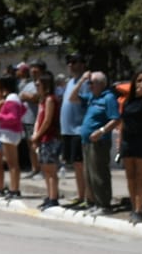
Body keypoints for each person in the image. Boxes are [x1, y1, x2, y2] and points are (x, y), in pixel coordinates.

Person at [118, 69, 142, 223]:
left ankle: (140, 209)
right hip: (128, 141)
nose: (141, 84)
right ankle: (134, 207)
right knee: (130, 177)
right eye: (139, 80)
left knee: (141, 176)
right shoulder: (129, 100)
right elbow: (123, 122)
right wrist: (120, 142)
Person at [78, 70, 118, 214]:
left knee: (99, 173)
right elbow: (71, 98)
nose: (89, 86)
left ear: (101, 84)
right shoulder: (91, 98)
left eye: (91, 83)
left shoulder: (108, 98)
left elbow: (115, 119)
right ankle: (95, 202)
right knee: (89, 174)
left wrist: (101, 131)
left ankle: (104, 204)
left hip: (100, 141)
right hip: (87, 141)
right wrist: (82, 81)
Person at [60, 53, 89, 208]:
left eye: (74, 62)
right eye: (69, 62)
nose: (70, 65)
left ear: (82, 64)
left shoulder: (84, 83)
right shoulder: (71, 81)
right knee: (75, 165)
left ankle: (86, 196)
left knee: (81, 164)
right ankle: (80, 195)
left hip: (79, 128)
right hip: (68, 129)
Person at [0, 73, 26, 198]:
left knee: (12, 164)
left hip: (9, 133)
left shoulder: (11, 98)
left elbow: (13, 117)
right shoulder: (14, 98)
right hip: (10, 133)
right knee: (12, 163)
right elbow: (23, 110)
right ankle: (14, 188)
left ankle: (14, 189)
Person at [32, 73, 62, 209]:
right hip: (43, 138)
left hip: (50, 137)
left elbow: (47, 121)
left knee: (51, 168)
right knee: (45, 168)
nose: (36, 87)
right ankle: (49, 195)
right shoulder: (43, 100)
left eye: (38, 85)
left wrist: (37, 135)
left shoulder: (50, 100)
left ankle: (54, 196)